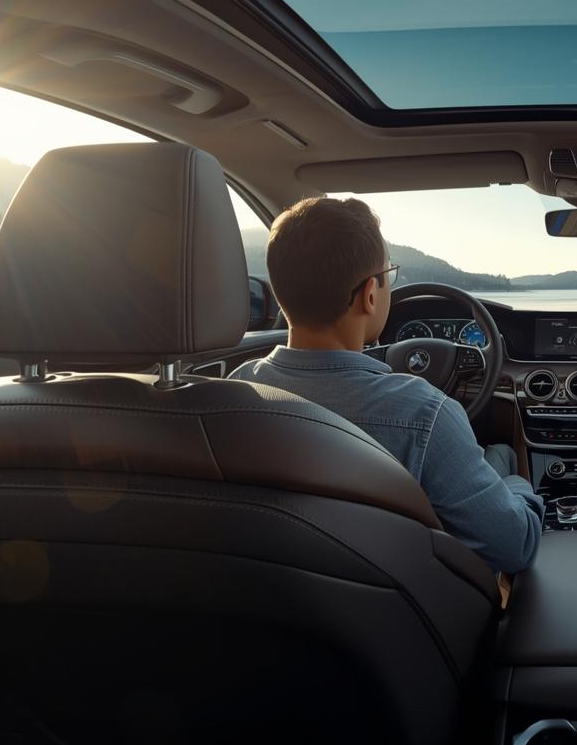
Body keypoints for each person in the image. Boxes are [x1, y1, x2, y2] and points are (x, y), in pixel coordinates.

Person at [231, 197, 544, 574]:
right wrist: (518, 484)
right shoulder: (426, 414)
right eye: (387, 274)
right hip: (418, 617)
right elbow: (516, 545)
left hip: (278, 600)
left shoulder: (238, 390)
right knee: (504, 458)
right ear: (370, 294)